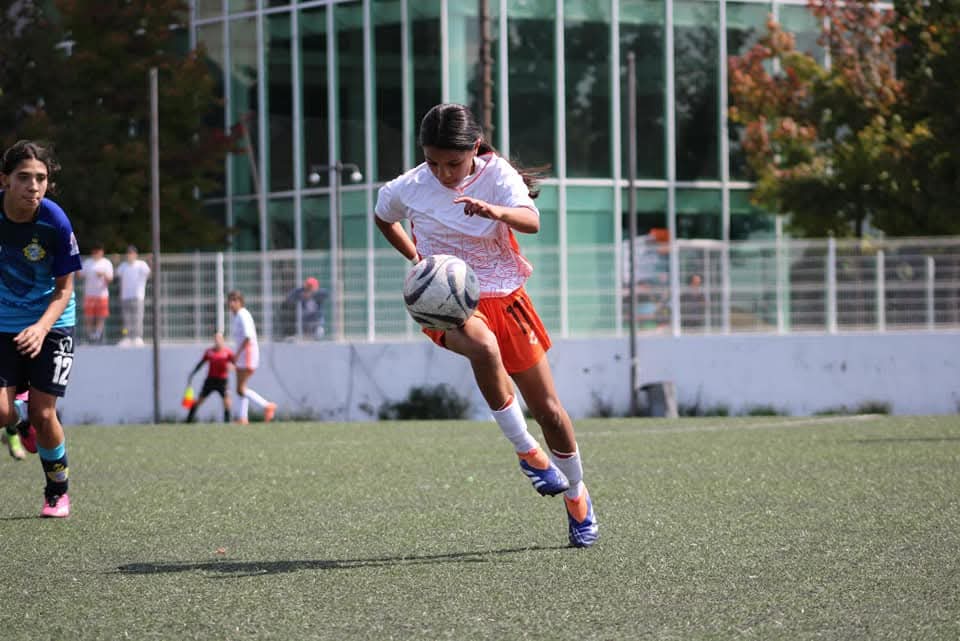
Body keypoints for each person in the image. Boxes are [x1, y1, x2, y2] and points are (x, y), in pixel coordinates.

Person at [373, 103, 599, 547]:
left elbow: (531, 221)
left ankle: (577, 494)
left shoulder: (497, 176)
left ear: (474, 148)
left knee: (551, 412)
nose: (443, 173)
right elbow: (384, 216)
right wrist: (418, 261)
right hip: (451, 302)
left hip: (507, 297)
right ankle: (528, 452)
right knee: (483, 347)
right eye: (433, 162)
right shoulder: (410, 186)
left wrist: (495, 212)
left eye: (453, 163)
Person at [0, 140, 82, 517]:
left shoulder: (55, 221)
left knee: (45, 413)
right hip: (3, 326)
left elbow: (65, 289)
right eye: (24, 178)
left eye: (41, 178)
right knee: (2, 414)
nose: (34, 186)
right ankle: (21, 415)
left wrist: (40, 327)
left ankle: (56, 490)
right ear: (5, 180)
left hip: (52, 322)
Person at [227, 290, 277, 424]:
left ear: (240, 302)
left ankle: (267, 405)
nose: (231, 303)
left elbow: (248, 337)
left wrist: (237, 355)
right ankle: (243, 418)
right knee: (240, 389)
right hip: (243, 355)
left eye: (234, 300)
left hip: (247, 355)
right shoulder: (237, 316)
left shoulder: (243, 315)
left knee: (241, 388)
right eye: (230, 300)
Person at [185, 332, 235, 423]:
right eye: (216, 339)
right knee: (199, 400)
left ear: (223, 340)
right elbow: (201, 363)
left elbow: (236, 364)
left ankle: (227, 422)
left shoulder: (228, 352)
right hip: (210, 380)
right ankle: (188, 420)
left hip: (223, 381)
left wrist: (232, 367)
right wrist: (192, 374)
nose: (217, 341)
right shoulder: (209, 352)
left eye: (219, 339)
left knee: (227, 401)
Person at [116, 244, 150, 346]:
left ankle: (137, 337)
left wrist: (150, 261)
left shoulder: (141, 264)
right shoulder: (123, 266)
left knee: (137, 318)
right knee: (126, 319)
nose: (130, 255)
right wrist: (116, 261)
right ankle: (127, 337)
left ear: (135, 254)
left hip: (138, 296)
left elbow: (149, 273)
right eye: (128, 253)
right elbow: (116, 274)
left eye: (132, 253)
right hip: (125, 296)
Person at [79, 241, 113, 343]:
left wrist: (103, 274)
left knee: (100, 316)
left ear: (101, 252)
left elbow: (110, 278)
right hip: (89, 294)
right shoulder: (88, 262)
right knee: (89, 316)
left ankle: (98, 334)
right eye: (94, 251)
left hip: (102, 295)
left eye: (97, 251)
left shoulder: (106, 263)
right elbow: (80, 275)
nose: (95, 253)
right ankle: (90, 335)